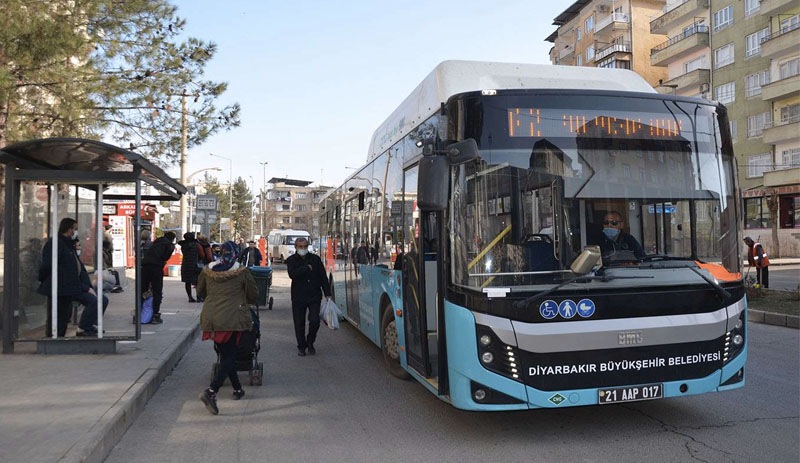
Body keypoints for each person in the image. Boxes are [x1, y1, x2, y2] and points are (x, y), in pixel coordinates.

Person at [198, 241, 258, 415]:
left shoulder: (207, 271)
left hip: (212, 318)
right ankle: (211, 391)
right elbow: (253, 295)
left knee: (225, 355)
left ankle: (238, 389)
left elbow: (201, 292)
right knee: (230, 356)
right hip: (233, 318)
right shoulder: (242, 272)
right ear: (235, 253)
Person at [38, 218, 108, 337]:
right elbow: (49, 266)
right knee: (61, 314)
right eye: (75, 229)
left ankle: (86, 326)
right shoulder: (57, 244)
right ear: (68, 229)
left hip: (73, 285)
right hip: (63, 285)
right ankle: (61, 334)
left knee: (101, 300)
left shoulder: (69, 244)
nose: (76, 232)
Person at [286, 237, 331, 356]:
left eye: (305, 246)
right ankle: (301, 346)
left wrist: (327, 294)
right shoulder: (291, 260)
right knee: (299, 323)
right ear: (296, 247)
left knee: (315, 321)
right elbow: (292, 274)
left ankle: (310, 341)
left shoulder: (315, 259)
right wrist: (306, 268)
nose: (303, 249)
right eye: (300, 247)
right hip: (298, 296)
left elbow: (323, 277)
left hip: (314, 295)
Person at [141, 231, 176, 324]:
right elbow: (165, 257)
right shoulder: (170, 245)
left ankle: (140, 311)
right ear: (172, 239)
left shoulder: (156, 242)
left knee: (142, 289)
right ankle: (155, 314)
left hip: (145, 267)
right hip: (156, 268)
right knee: (157, 291)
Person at [178, 232, 202, 302]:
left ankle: (190, 297)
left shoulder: (183, 245)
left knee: (187, 282)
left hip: (186, 265)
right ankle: (198, 296)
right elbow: (201, 254)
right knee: (197, 281)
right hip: (195, 265)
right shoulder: (197, 245)